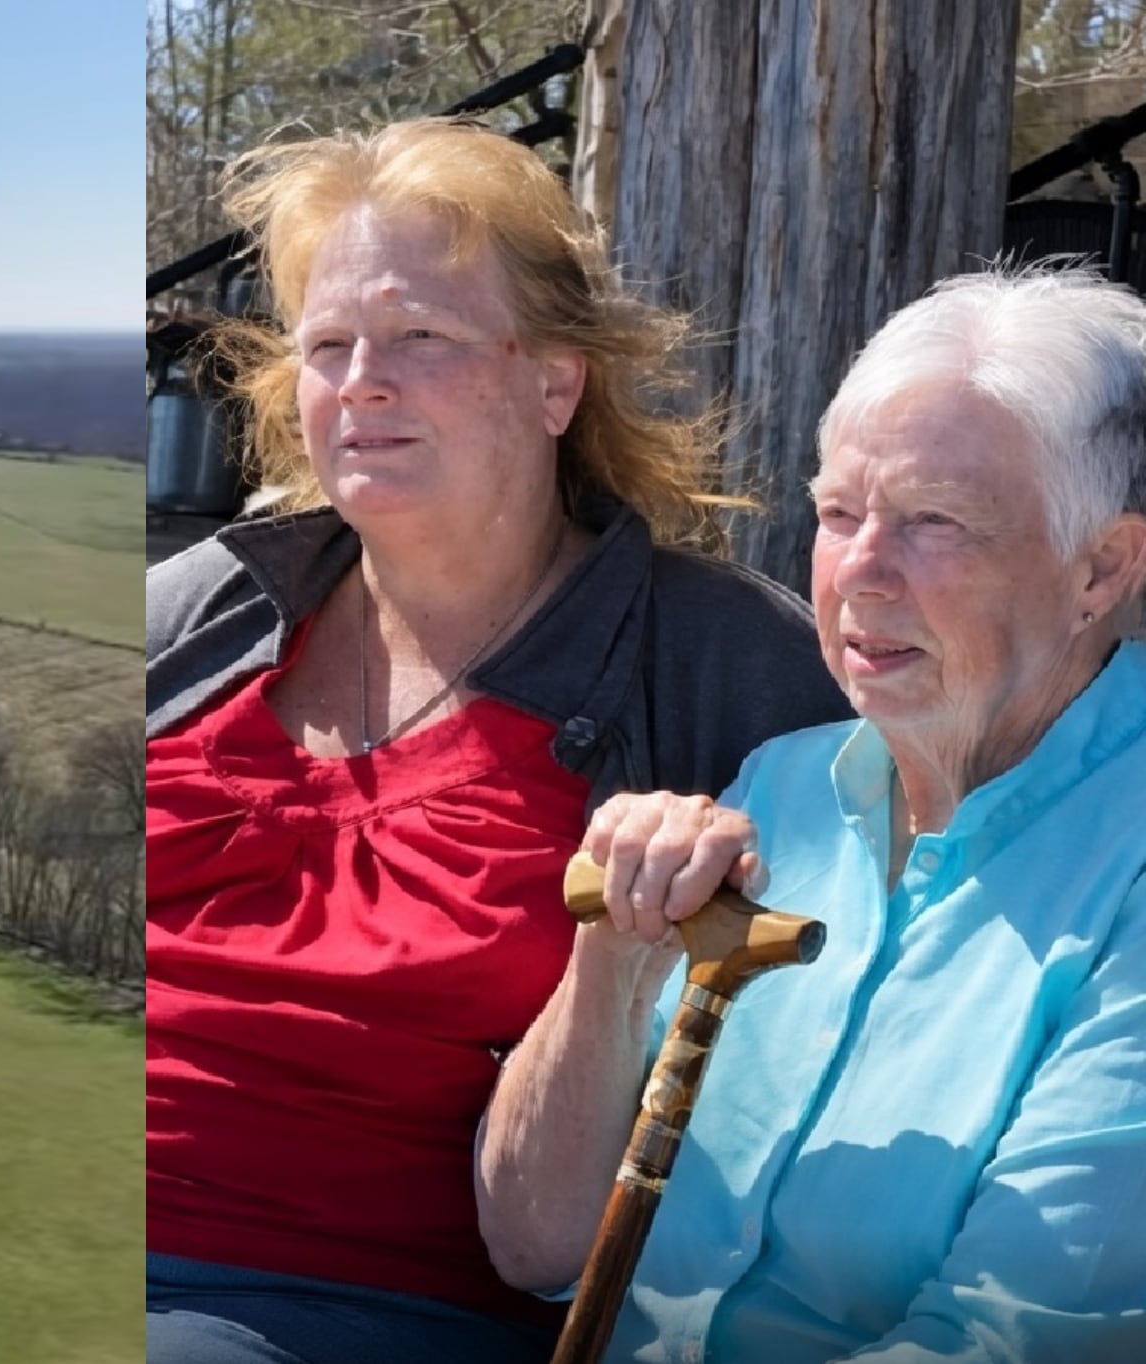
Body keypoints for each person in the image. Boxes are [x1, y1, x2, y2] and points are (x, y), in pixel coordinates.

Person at [145, 118, 851, 1364]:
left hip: (354, 1309)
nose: (360, 379)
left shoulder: (719, 667)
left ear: (554, 382)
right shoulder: (197, 611)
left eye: (418, 336)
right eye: (326, 344)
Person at [475, 267, 1146, 1364]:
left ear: (1100, 567)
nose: (860, 572)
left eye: (934, 521)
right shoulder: (773, 792)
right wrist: (611, 963)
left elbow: (1008, 1338)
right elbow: (533, 1241)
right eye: (837, 512)